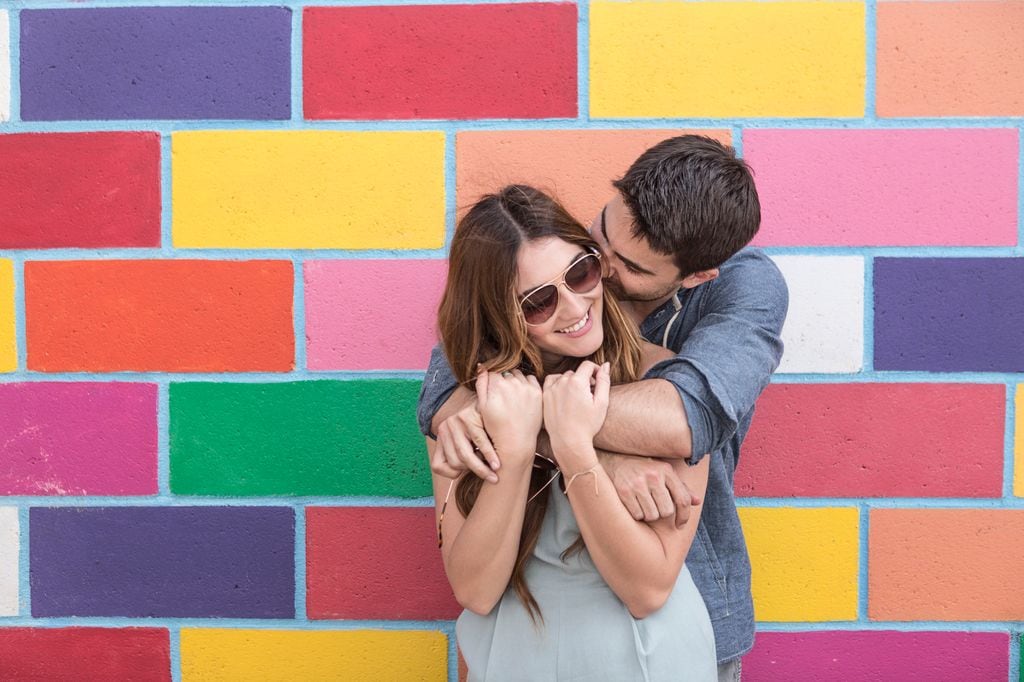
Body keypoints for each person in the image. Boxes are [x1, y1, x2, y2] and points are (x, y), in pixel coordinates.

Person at [419, 135, 789, 680]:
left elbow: (681, 420)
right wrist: (559, 442)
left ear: (694, 276)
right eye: (597, 249)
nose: (602, 280)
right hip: (522, 644)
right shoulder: (553, 269)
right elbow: (450, 383)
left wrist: (559, 436)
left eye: (593, 274)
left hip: (669, 632)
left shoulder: (739, 295)